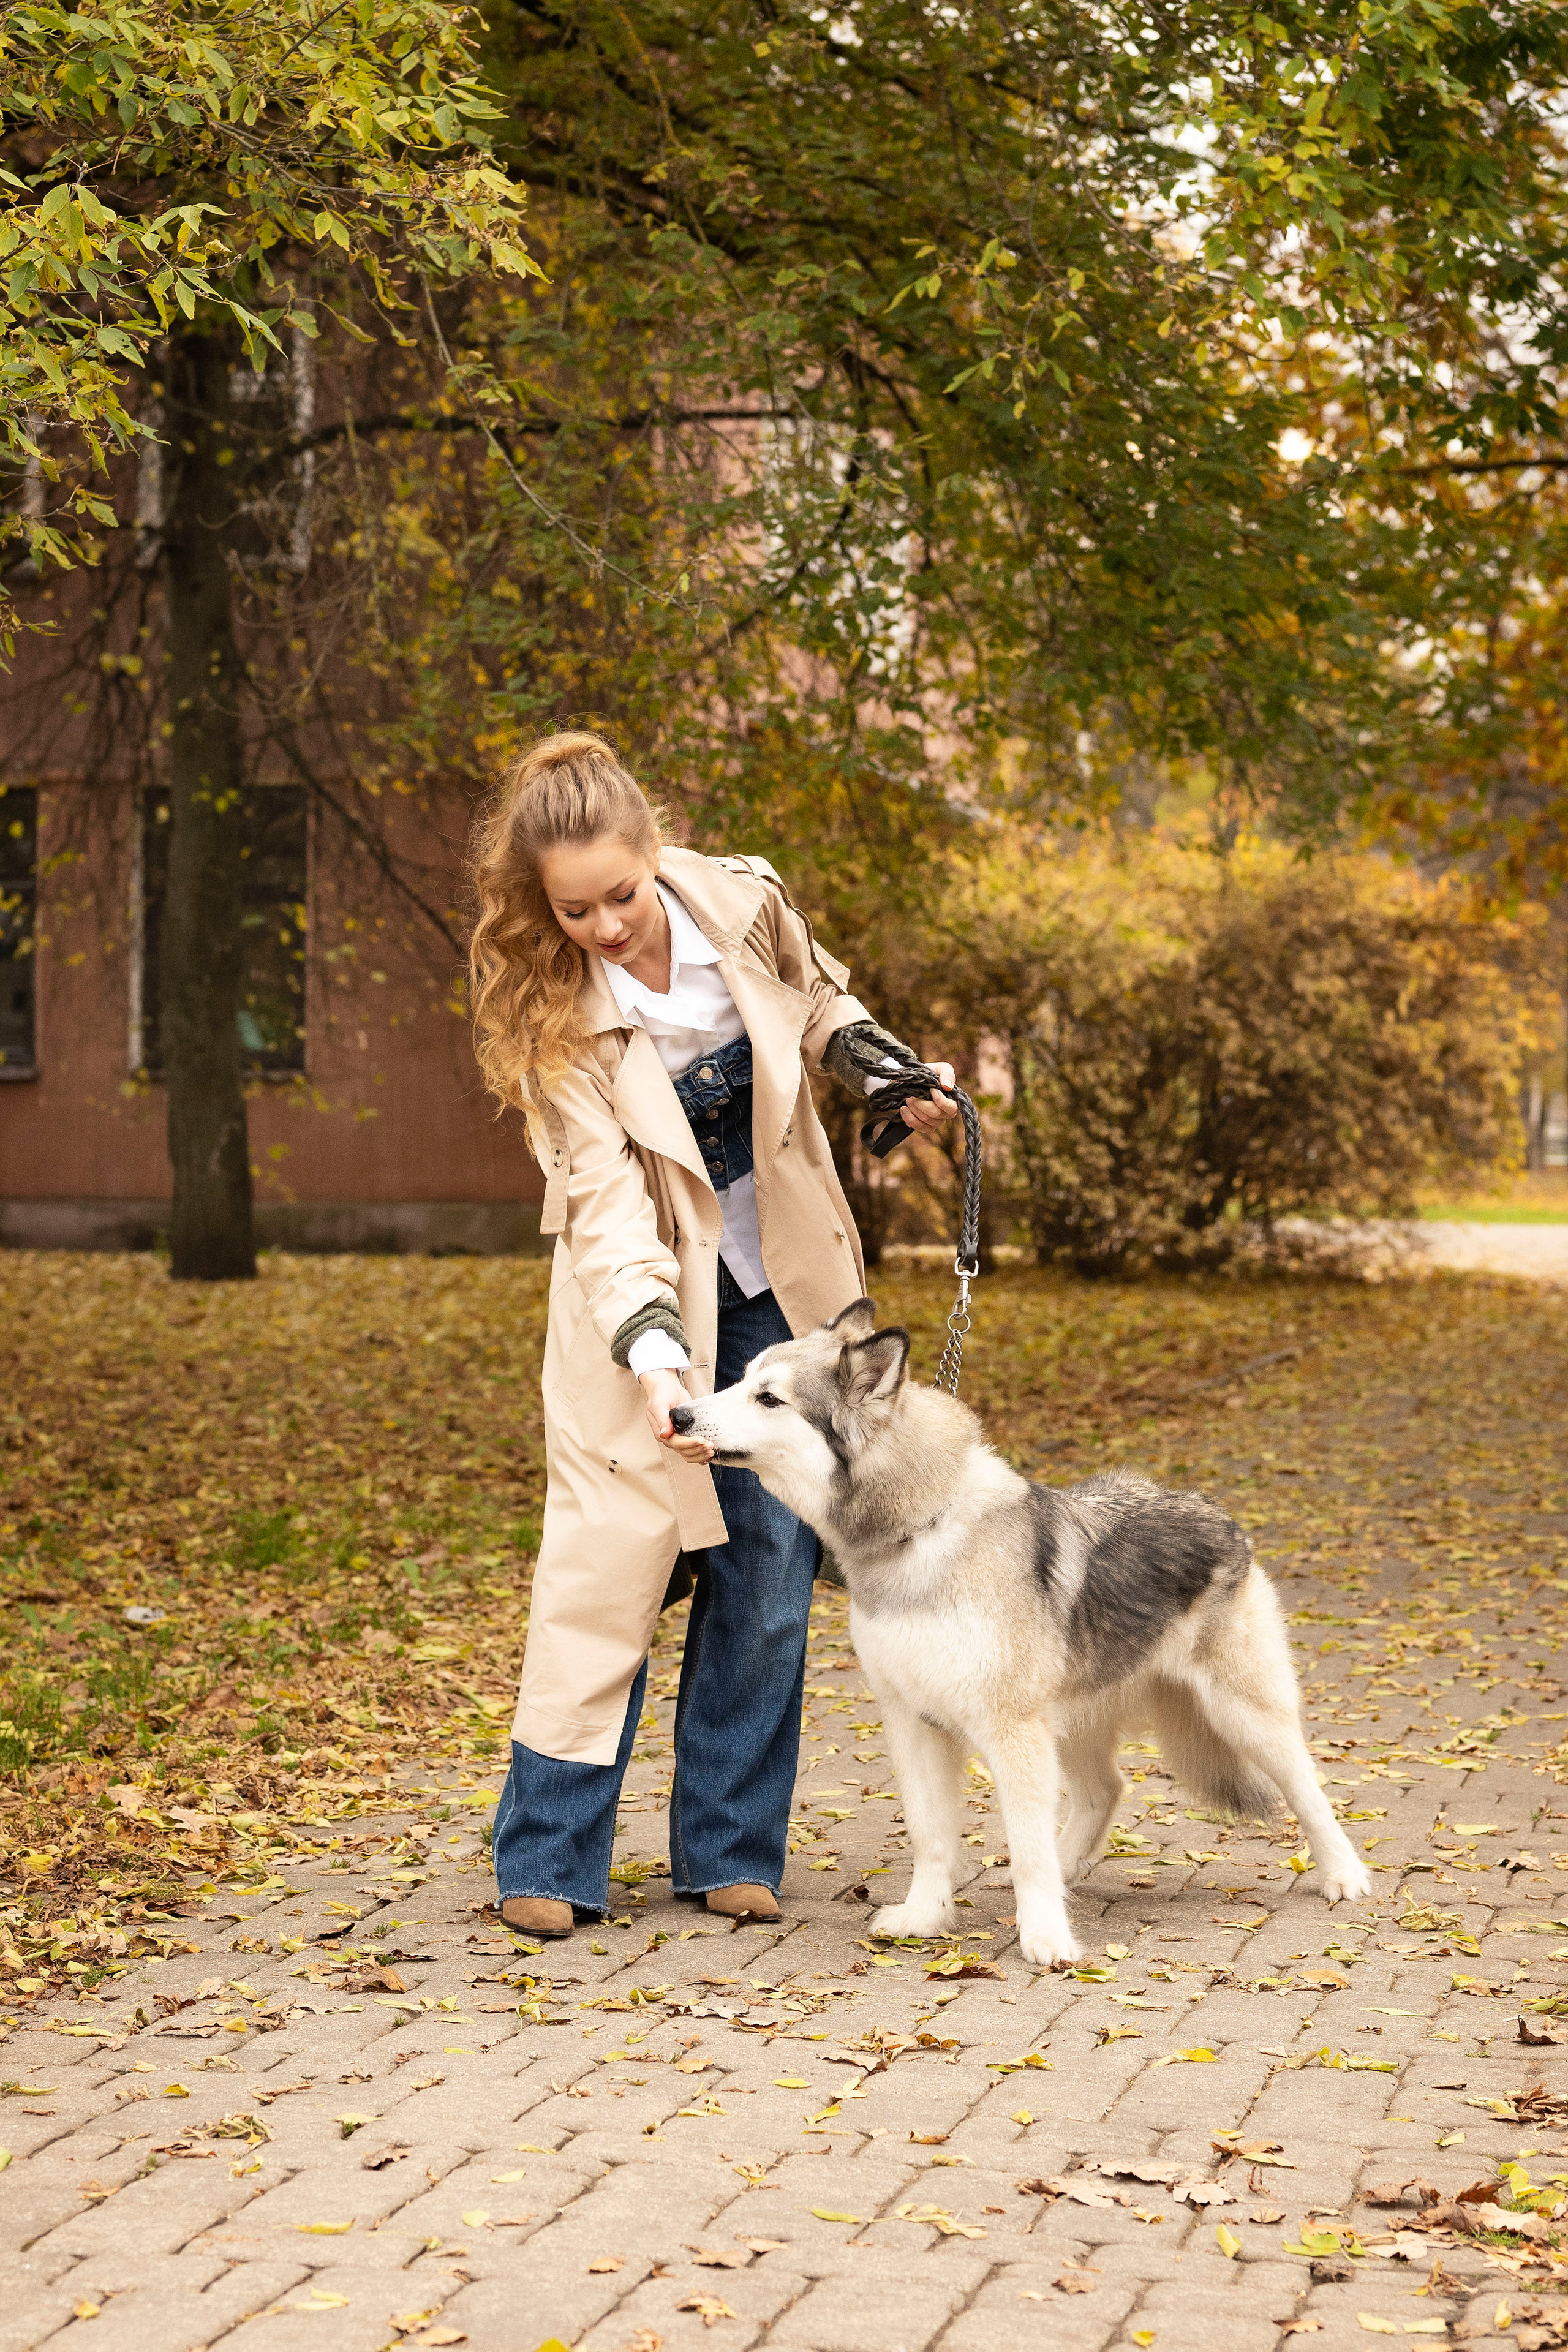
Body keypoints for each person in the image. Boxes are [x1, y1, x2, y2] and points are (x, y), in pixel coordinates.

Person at [468, 731, 957, 1939]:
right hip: (635, 1305)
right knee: (608, 1569)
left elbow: (818, 1001)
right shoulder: (551, 1014)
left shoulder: (743, 904)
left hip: (784, 1287)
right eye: (572, 910)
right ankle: (547, 1856)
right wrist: (653, 1358)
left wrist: (887, 1073)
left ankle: (731, 1848)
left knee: (770, 1576)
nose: (603, 926)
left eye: (621, 895)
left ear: (655, 852)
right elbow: (603, 1207)